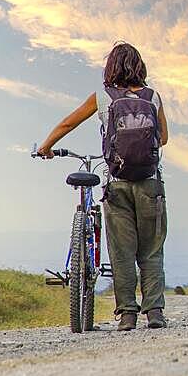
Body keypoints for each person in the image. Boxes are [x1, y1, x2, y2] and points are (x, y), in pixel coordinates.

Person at [37, 42, 170, 331]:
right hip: (150, 184)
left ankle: (127, 315)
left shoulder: (103, 97)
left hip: (117, 183)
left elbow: (67, 125)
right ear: (140, 67)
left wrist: (47, 146)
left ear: (110, 68)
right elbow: (165, 138)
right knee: (151, 250)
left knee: (122, 251)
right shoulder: (153, 97)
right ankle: (155, 312)